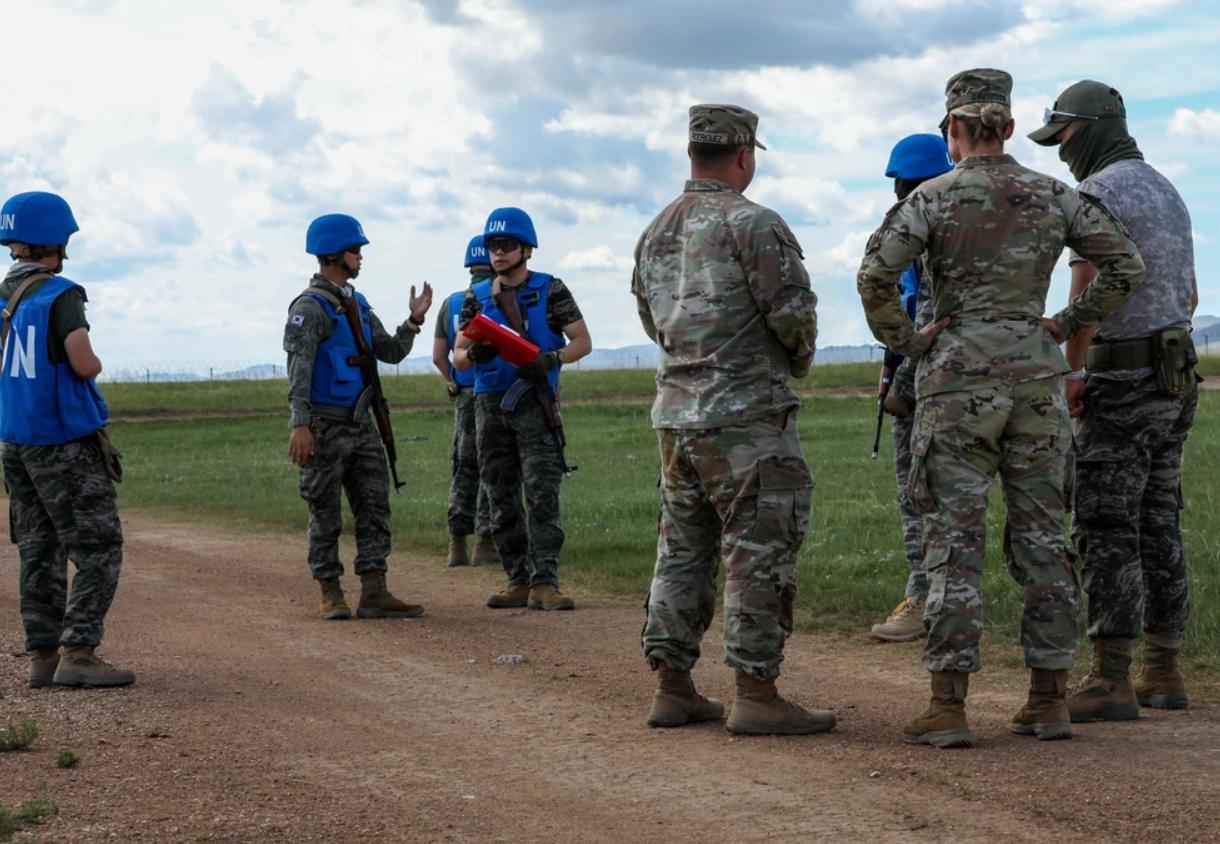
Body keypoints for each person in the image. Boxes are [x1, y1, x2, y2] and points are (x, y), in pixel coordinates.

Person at [857, 69, 1146, 748]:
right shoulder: (1057, 195)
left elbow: (874, 276)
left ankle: (948, 706)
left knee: (952, 542)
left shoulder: (930, 198)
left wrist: (912, 343)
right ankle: (1047, 699)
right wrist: (1062, 324)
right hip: (1036, 383)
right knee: (1044, 540)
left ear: (952, 129)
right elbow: (1126, 266)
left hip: (955, 386)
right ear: (1011, 127)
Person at [633, 104, 835, 736]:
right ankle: (755, 692)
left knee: (682, 548)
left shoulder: (655, 230)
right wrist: (795, 362)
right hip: (747, 419)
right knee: (757, 550)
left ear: (693, 153)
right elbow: (793, 314)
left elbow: (651, 320)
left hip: (676, 418)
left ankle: (673, 688)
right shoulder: (755, 223)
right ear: (744, 154)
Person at [1029, 81, 1199, 720]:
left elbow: (1088, 289)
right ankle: (1165, 670)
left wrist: (1072, 371)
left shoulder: (1098, 192)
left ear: (1090, 129)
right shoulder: (1165, 188)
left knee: (1105, 527)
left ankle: (1110, 678)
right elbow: (1189, 297)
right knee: (1159, 522)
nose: (1060, 150)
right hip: (1174, 380)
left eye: (1063, 136)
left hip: (1120, 385)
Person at [0, 191, 133, 687]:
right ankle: (79, 651)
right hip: (62, 443)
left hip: (15, 440)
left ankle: (42, 658)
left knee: (39, 548)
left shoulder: (3, 296)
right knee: (99, 546)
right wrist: (95, 363)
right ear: (55, 241)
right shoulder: (61, 295)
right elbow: (83, 362)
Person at [284, 213, 432, 620]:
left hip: (362, 424)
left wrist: (414, 321)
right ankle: (330, 591)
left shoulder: (358, 303)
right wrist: (300, 425)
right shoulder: (310, 307)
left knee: (374, 508)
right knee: (325, 512)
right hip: (324, 427)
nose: (361, 256)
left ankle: (374, 590)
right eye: (355, 249)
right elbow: (299, 369)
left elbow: (389, 351)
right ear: (333, 254)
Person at [452, 207, 591, 611]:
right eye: (493, 246)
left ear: (527, 249)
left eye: (507, 245)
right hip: (489, 407)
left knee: (542, 492)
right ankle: (517, 579)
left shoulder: (552, 289)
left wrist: (553, 359)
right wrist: (472, 354)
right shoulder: (476, 298)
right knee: (500, 495)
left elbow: (582, 341)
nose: (498, 252)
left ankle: (545, 581)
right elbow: (458, 355)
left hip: (535, 402)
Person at [870, 134, 955, 643]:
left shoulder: (924, 227)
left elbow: (930, 314)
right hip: (930, 366)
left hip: (925, 375)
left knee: (916, 493)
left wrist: (901, 378)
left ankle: (923, 598)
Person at [432, 236, 499, 568]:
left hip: (465, 394)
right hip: (496, 392)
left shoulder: (451, 303)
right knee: (495, 465)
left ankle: (456, 544)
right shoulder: (500, 297)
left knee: (464, 467)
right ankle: (485, 543)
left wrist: (453, 382)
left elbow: (438, 356)